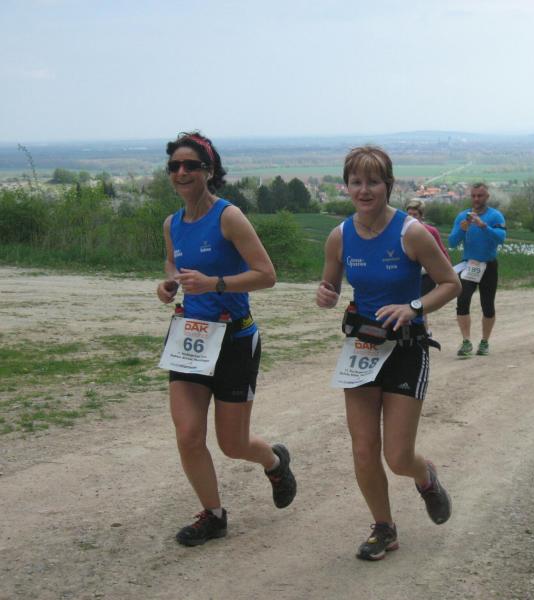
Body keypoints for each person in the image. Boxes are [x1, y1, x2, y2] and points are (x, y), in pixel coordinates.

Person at [316, 146, 460, 561]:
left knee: (397, 456)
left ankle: (425, 476)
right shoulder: (340, 236)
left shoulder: (410, 233)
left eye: (373, 182)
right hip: (362, 347)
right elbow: (330, 286)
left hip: (407, 348)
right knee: (363, 449)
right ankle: (384, 527)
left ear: (388, 186)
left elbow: (450, 284)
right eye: (356, 182)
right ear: (346, 187)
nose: (364, 190)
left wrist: (413, 307)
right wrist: (326, 295)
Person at [155, 131, 296, 547]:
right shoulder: (172, 224)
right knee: (188, 434)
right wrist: (169, 283)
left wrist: (214, 283)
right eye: (174, 166)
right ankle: (213, 515)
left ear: (209, 171)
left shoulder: (228, 217)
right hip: (190, 338)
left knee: (232, 443)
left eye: (191, 165)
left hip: (234, 338)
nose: (181, 172)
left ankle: (274, 461)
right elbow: (172, 262)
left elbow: (266, 275)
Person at [448, 182, 506, 357]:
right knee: (462, 300)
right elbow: (452, 242)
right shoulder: (462, 216)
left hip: (488, 265)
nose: (476, 199)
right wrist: (462, 229)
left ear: (487, 197)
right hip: (470, 265)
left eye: (480, 196)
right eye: (473, 196)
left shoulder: (495, 216)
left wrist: (483, 226)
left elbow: (501, 238)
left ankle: (484, 341)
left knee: (487, 305)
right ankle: (466, 341)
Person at [404, 198, 451, 333]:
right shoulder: (401, 231)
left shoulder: (431, 231)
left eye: (415, 215)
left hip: (427, 275)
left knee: (418, 304)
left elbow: (442, 252)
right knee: (408, 303)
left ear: (421, 216)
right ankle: (419, 332)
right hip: (410, 274)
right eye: (409, 214)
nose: (412, 217)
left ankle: (423, 333)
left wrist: (448, 272)